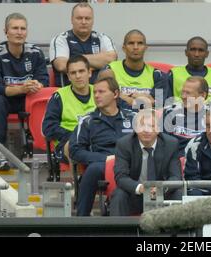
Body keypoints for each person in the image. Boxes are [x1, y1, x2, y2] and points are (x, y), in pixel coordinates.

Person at [0, 13, 48, 171]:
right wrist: (21, 88)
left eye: (23, 28)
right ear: (6, 31)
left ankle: (49, 153)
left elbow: (44, 81)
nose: (19, 32)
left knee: (47, 100)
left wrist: (37, 85)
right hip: (4, 99)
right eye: (15, 28)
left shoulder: (36, 52)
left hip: (28, 99)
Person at [69, 76, 135, 216]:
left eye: (101, 92)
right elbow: (75, 150)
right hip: (103, 164)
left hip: (132, 163)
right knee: (93, 169)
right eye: (95, 92)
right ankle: (82, 220)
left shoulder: (133, 117)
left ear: (115, 94)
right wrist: (105, 159)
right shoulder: (88, 121)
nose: (97, 95)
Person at [109, 109, 183, 216]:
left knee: (178, 194)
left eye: (151, 126)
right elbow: (121, 177)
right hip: (136, 194)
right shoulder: (124, 144)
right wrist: (140, 188)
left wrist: (160, 188)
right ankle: (118, 232)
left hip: (161, 194)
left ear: (158, 130)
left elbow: (176, 177)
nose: (146, 130)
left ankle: (179, 233)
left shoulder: (171, 144)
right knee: (119, 195)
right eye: (142, 126)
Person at [42, 55, 96, 164]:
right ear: (68, 76)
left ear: (89, 72)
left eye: (81, 71)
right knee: (74, 147)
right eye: (73, 73)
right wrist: (76, 136)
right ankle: (79, 180)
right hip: (67, 143)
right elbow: (48, 127)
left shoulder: (100, 92)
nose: (78, 76)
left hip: (97, 141)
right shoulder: (59, 96)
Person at [50, 3, 117, 87]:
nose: (83, 22)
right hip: (68, 93)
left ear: (93, 20)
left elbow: (112, 60)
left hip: (98, 94)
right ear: (72, 19)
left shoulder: (102, 38)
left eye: (87, 18)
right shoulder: (61, 39)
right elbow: (62, 65)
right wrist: (98, 61)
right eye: (79, 18)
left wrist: (74, 59)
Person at [100, 29, 167, 111]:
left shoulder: (158, 75)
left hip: (146, 121)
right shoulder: (110, 70)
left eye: (140, 43)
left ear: (145, 48)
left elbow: (158, 105)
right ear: (124, 48)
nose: (135, 47)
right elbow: (105, 98)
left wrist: (122, 96)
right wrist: (141, 99)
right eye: (131, 43)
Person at [167, 36, 211, 104]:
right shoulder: (173, 74)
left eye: (201, 50)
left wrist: (208, 106)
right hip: (181, 113)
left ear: (207, 54)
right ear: (186, 52)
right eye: (193, 50)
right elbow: (163, 101)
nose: (196, 54)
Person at [163, 76, 208, 156]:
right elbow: (163, 144)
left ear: (202, 95)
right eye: (183, 92)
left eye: (188, 93)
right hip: (174, 159)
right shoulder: (170, 112)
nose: (183, 96)